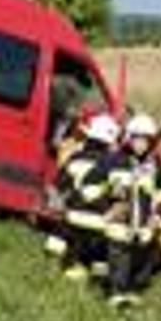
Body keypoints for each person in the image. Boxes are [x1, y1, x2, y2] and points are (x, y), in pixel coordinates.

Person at [106, 112, 161, 305]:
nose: (141, 144)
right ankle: (117, 293)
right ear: (129, 138)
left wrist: (159, 214)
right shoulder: (116, 160)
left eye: (145, 140)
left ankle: (134, 291)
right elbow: (103, 186)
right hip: (120, 222)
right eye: (137, 139)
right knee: (119, 255)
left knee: (142, 255)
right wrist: (109, 208)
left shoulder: (155, 165)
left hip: (144, 221)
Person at [52, 113, 121, 282]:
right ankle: (96, 283)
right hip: (100, 222)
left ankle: (65, 276)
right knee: (99, 261)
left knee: (70, 255)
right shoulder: (113, 165)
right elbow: (118, 195)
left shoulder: (76, 158)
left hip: (74, 218)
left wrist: (61, 207)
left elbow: (59, 186)